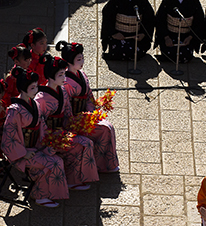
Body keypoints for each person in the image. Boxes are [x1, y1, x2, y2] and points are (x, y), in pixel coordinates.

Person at [1, 67, 69, 207]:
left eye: (36, 86)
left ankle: (47, 193)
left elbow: (42, 126)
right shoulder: (14, 111)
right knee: (53, 163)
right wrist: (24, 153)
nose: (36, 90)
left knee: (57, 158)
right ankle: (40, 196)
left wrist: (47, 143)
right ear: (23, 90)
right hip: (22, 153)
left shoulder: (35, 103)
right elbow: (9, 137)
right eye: (32, 88)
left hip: (36, 147)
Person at [35, 54, 99, 190]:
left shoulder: (62, 90)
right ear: (51, 77)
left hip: (62, 132)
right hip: (49, 138)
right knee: (81, 144)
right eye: (60, 75)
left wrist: (76, 126)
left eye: (64, 74)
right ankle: (72, 180)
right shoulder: (41, 99)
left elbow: (68, 114)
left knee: (86, 141)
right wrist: (48, 143)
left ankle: (76, 178)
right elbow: (40, 124)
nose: (64, 78)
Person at [56, 40, 119, 173]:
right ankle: (101, 165)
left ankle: (104, 164)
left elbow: (89, 96)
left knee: (108, 126)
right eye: (79, 59)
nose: (82, 61)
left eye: (82, 58)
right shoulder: (66, 82)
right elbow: (66, 107)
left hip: (85, 116)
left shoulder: (82, 75)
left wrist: (93, 112)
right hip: (75, 121)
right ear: (69, 61)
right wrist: (79, 119)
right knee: (105, 129)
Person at [2, 44, 32, 108]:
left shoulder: (28, 72)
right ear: (16, 61)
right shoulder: (11, 78)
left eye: (29, 59)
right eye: (26, 60)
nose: (29, 62)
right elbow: (7, 96)